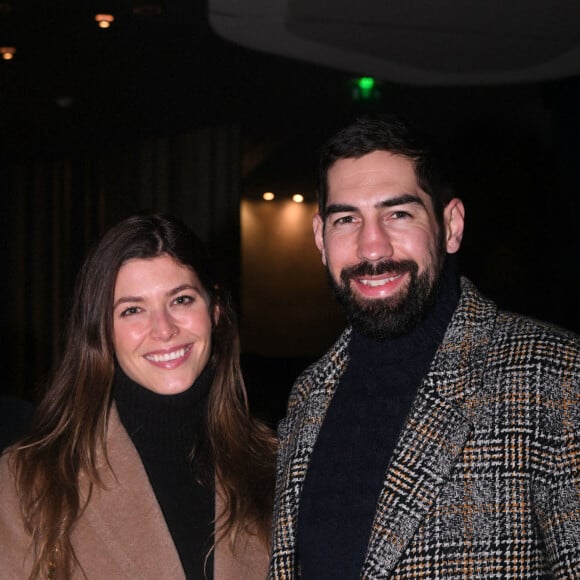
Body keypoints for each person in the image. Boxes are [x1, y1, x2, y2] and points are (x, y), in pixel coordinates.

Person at [269, 115, 580, 579]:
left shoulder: (555, 377)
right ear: (320, 238)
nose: (372, 247)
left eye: (398, 213)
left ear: (450, 225)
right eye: (346, 219)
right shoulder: (307, 396)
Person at [0, 213, 276, 580]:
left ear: (215, 311)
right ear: (102, 332)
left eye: (181, 300)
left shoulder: (277, 467)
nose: (163, 330)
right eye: (132, 310)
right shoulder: (31, 481)